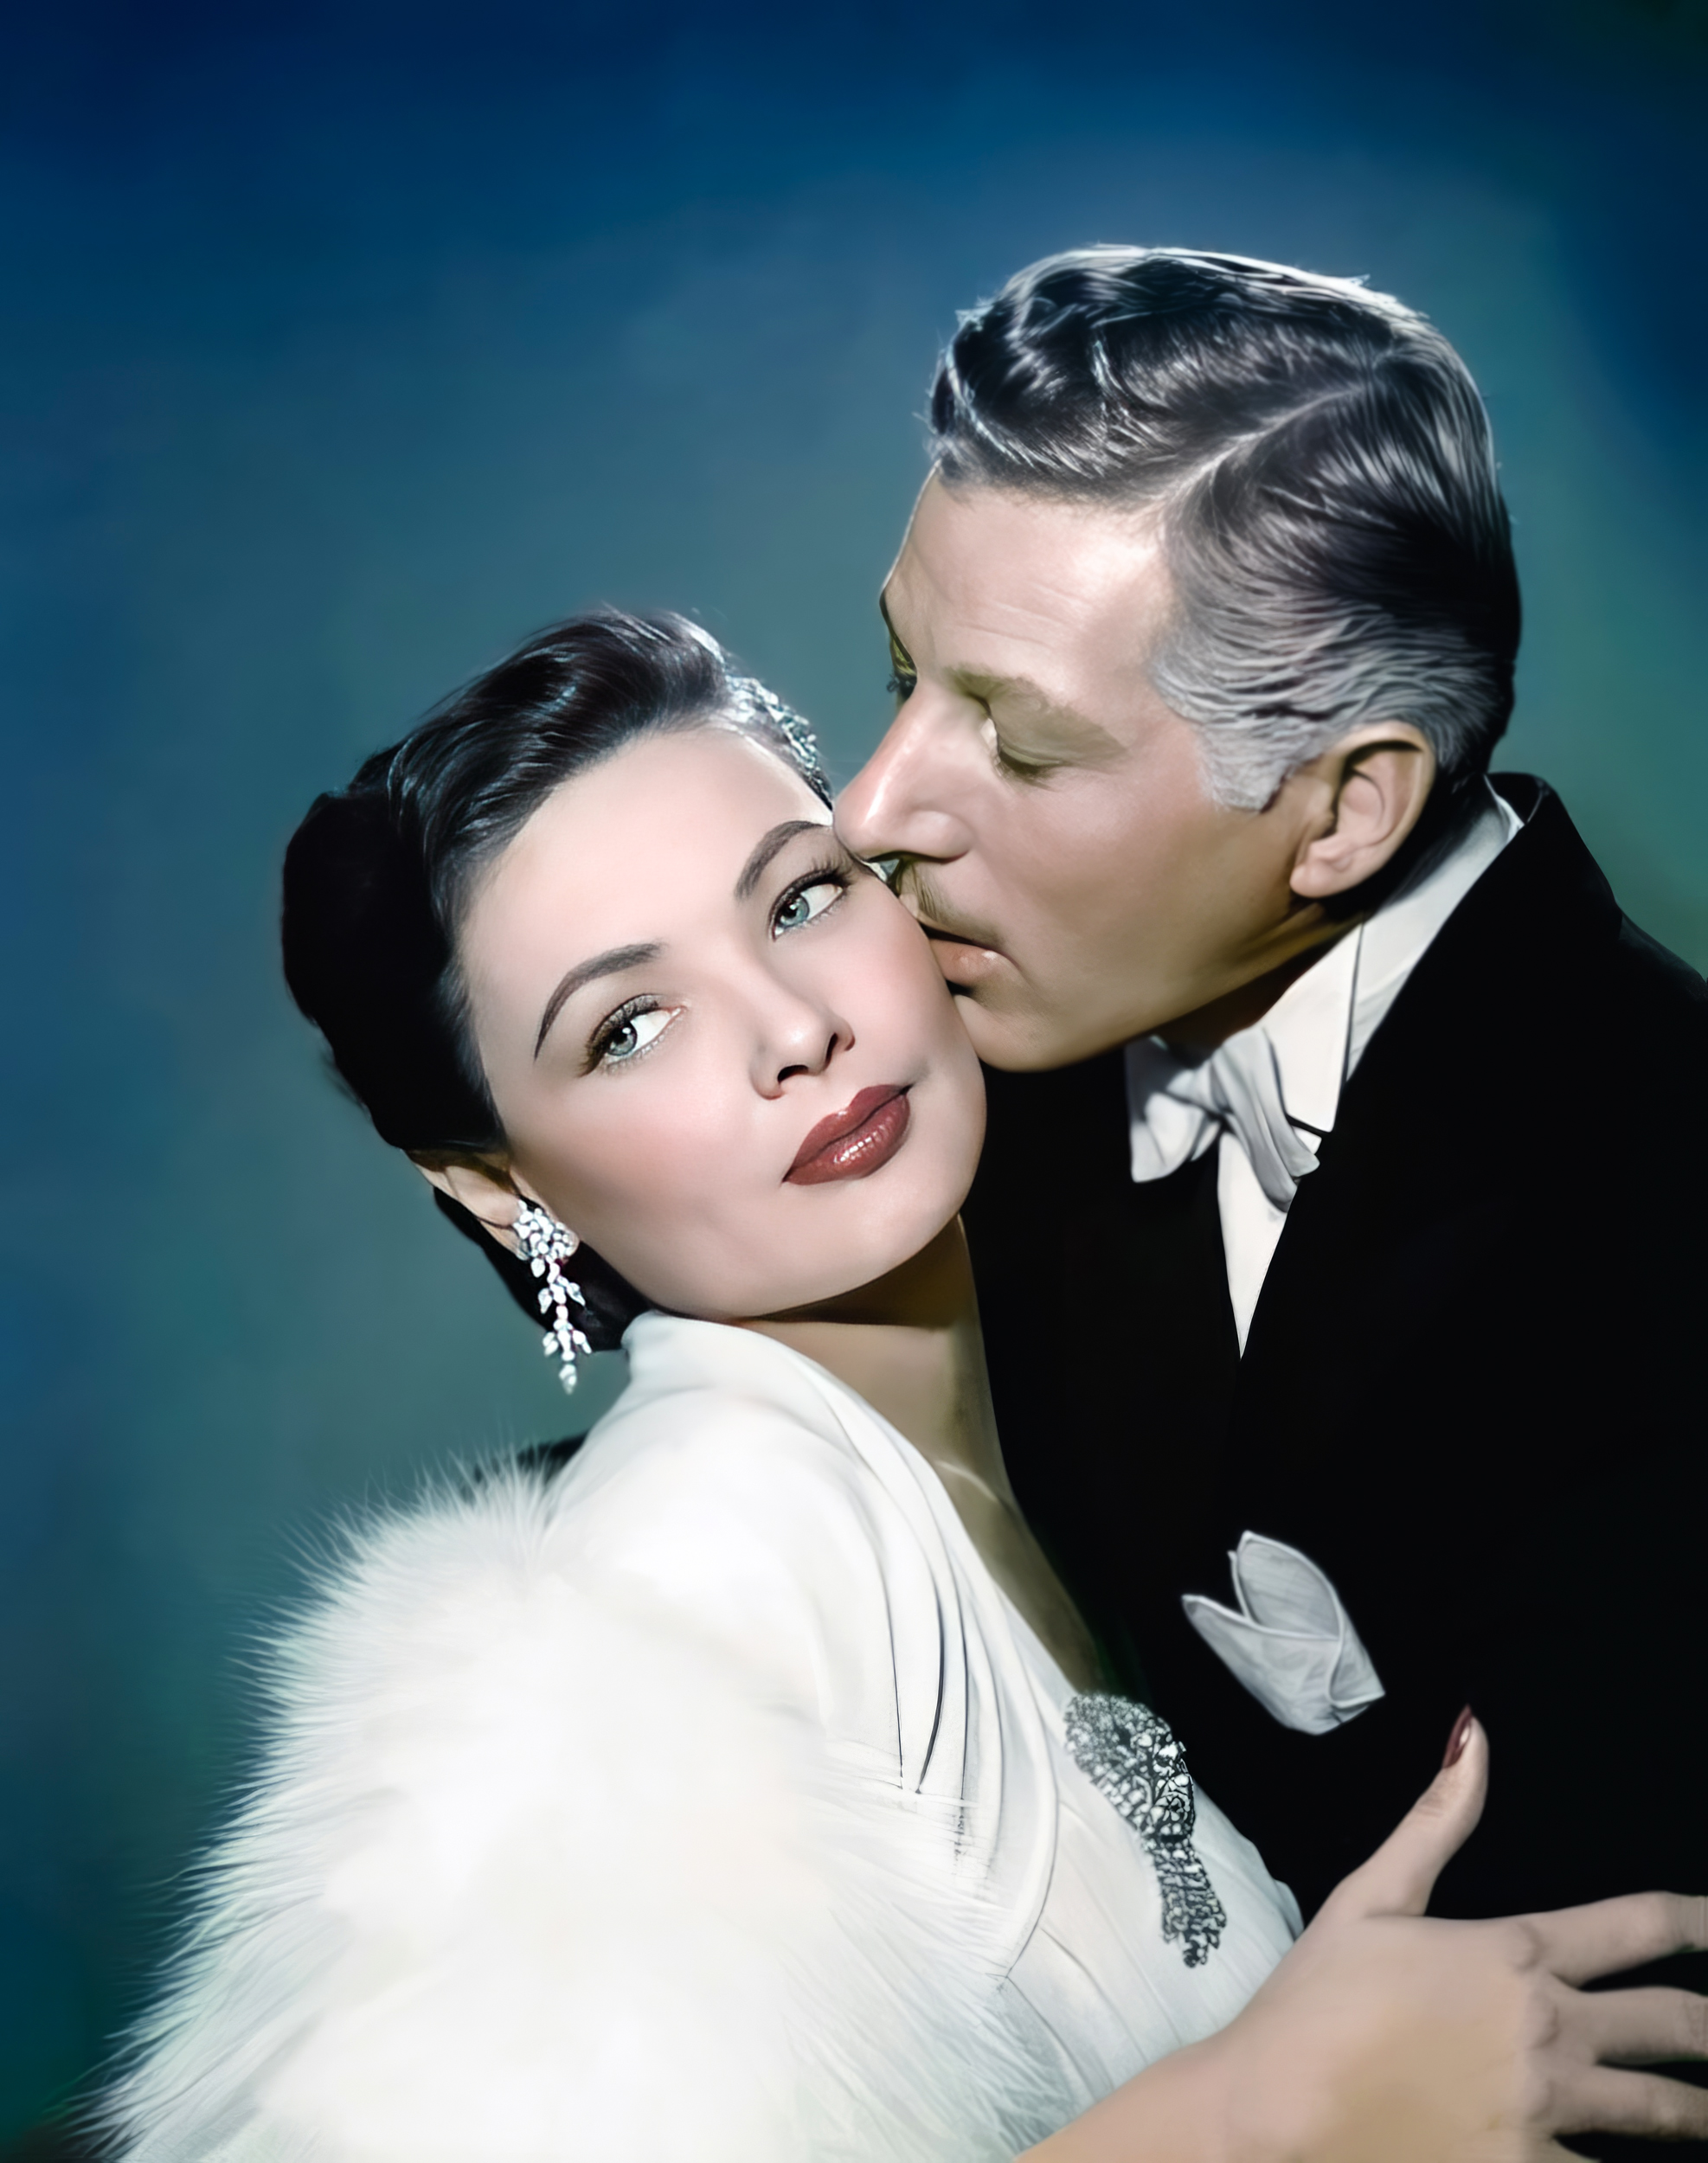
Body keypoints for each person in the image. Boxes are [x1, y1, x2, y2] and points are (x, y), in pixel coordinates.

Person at [103, 609, 1705, 2162]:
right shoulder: (685, 1580)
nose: (794, 1030)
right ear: (496, 1185)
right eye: (630, 1026)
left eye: (800, 900)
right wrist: (1250, 2122)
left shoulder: (1080, 1385)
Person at [834, 246, 1708, 2157]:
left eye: (1019, 739)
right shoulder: (981, 1066)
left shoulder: (1660, 1216)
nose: (871, 809)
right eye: (901, 678)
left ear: (1344, 810)